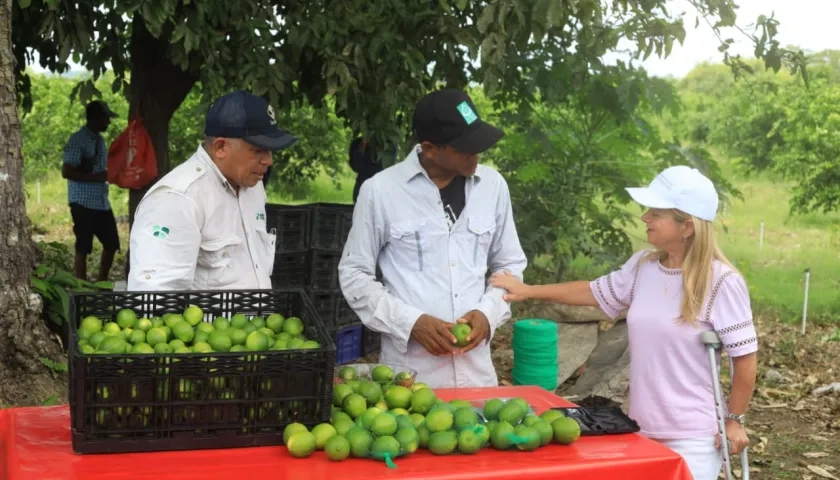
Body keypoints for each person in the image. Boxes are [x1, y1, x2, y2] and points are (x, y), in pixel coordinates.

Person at [490, 166, 757, 480]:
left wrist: (734, 419)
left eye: (655, 213)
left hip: (693, 435)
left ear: (686, 226)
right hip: (639, 425)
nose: (645, 217)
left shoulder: (721, 282)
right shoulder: (643, 267)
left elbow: (745, 359)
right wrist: (529, 290)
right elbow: (591, 291)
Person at [338, 88, 527, 388]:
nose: (476, 154)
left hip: (478, 376)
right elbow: (354, 275)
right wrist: (410, 323)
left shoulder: (492, 187)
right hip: (411, 379)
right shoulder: (382, 192)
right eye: (465, 148)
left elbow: (510, 264)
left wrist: (487, 313)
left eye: (478, 145)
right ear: (429, 148)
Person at [127, 90, 297, 291]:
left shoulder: (253, 186)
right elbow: (155, 299)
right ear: (220, 148)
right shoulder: (177, 199)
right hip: (212, 323)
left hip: (259, 321)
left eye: (270, 151)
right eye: (258, 150)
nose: (269, 160)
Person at [62, 100, 120, 282]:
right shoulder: (78, 139)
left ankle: (102, 280)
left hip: (101, 202)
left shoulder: (99, 140)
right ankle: (81, 284)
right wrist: (96, 177)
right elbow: (67, 171)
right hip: (82, 201)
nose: (108, 123)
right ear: (95, 118)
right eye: (105, 118)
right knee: (83, 245)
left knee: (111, 243)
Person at [348, 136, 383, 203]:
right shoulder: (358, 143)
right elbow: (356, 166)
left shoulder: (385, 143)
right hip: (362, 188)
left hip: (379, 190)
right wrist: (362, 147)